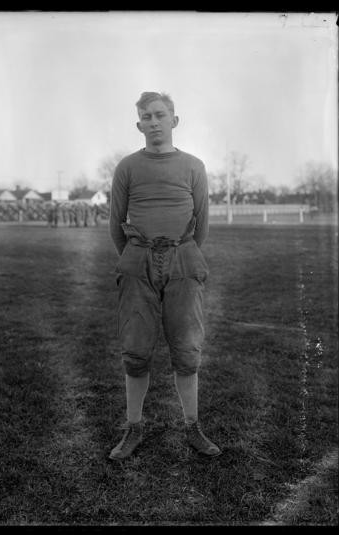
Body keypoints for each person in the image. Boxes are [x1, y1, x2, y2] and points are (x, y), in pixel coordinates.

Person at [109, 92, 220, 460]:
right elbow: (116, 224)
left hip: (184, 258)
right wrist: (136, 257)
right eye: (146, 116)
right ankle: (134, 428)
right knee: (136, 350)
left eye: (160, 115)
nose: (153, 121)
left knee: (187, 350)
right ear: (138, 124)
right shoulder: (127, 167)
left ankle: (192, 427)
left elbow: (201, 223)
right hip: (137, 260)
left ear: (175, 120)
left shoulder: (193, 166)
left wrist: (181, 253)